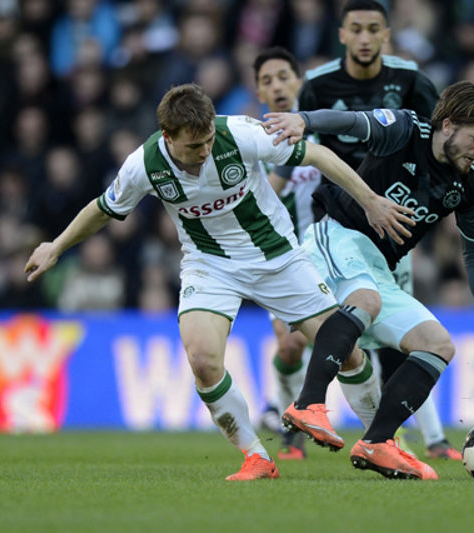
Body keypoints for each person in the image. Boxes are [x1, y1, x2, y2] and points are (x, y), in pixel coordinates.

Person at [24, 83, 414, 481]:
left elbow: (317, 154)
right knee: (203, 361)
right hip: (209, 265)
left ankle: (384, 443)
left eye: (209, 140)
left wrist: (369, 200)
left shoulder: (239, 133)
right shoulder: (144, 164)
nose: (206, 150)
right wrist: (57, 246)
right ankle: (256, 456)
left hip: (277, 257)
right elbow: (104, 208)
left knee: (347, 353)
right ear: (168, 137)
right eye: (195, 146)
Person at [262, 79, 474, 480]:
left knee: (437, 344)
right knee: (366, 301)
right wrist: (304, 120)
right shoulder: (405, 129)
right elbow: (350, 122)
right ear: (449, 125)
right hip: (337, 234)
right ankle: (308, 403)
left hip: (377, 267)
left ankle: (378, 442)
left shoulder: (473, 185)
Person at [297, 0, 458, 460]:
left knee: (401, 330)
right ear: (342, 35)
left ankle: (427, 439)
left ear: (386, 34)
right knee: (339, 324)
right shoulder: (317, 85)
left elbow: (440, 146)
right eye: (357, 29)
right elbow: (304, 150)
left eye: (374, 29)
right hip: (340, 219)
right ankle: (316, 420)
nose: (365, 38)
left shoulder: (410, 81)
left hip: (394, 224)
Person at [253, 46, 383, 461]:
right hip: (284, 256)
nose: (277, 86)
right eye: (267, 80)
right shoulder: (253, 145)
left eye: (283, 77)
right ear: (259, 92)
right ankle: (290, 426)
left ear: (299, 81)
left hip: (334, 252)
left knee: (351, 340)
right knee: (290, 345)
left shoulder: (325, 133)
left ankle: (383, 434)